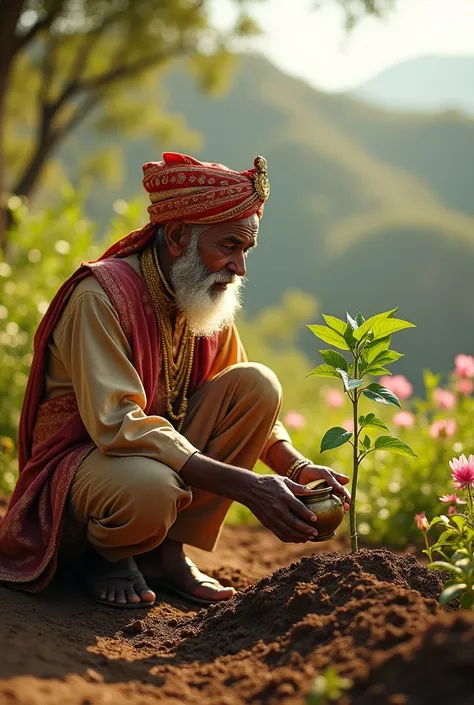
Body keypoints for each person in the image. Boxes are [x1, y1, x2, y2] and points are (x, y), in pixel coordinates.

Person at [0, 153, 350, 609]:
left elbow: (245, 403)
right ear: (180, 236)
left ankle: (165, 555)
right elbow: (119, 425)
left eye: (246, 250)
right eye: (229, 246)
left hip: (154, 460)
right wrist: (246, 487)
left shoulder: (200, 294)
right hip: (83, 466)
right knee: (152, 490)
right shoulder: (99, 297)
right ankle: (108, 556)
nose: (240, 267)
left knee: (257, 383)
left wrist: (296, 467)